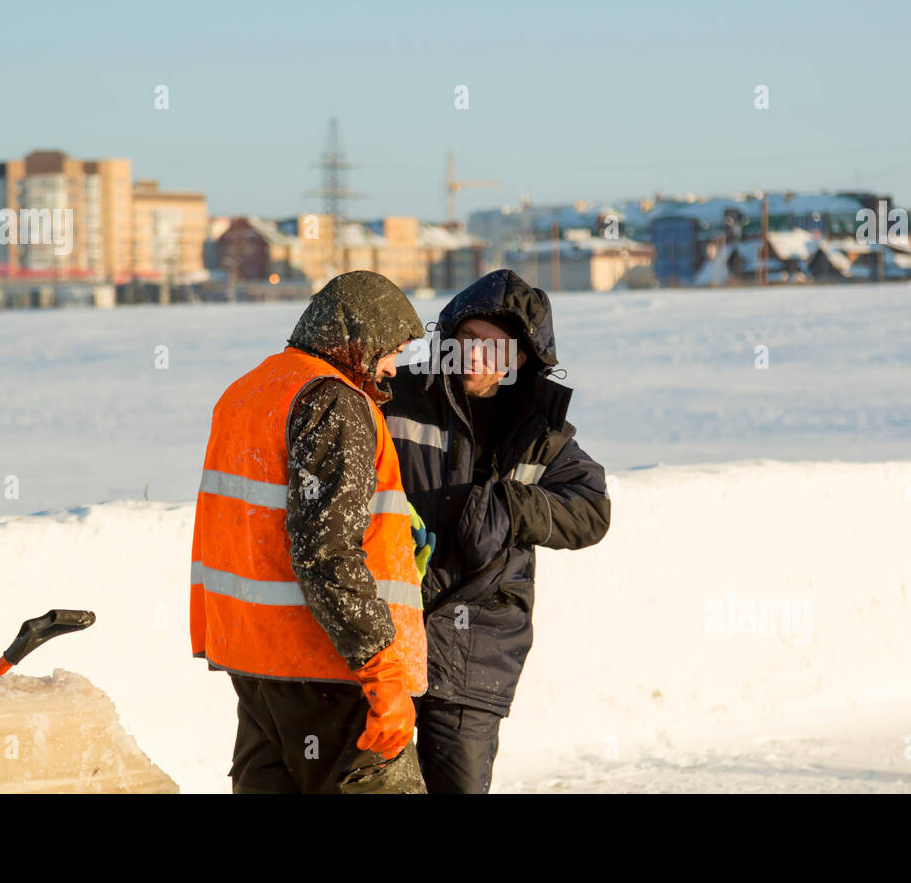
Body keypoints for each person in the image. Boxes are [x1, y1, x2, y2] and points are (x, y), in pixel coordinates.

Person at [190, 270, 430, 793]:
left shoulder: (247, 391)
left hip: (255, 665)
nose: (393, 368)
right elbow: (326, 554)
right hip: (331, 671)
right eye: (392, 350)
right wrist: (382, 670)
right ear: (357, 340)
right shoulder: (333, 400)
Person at [382, 268, 611, 793]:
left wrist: (512, 507)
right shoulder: (397, 398)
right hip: (389, 637)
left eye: (495, 347)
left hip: (476, 650)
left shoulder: (539, 432)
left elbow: (593, 509)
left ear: (521, 359)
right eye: (468, 340)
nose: (476, 356)